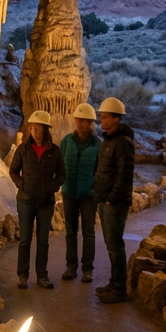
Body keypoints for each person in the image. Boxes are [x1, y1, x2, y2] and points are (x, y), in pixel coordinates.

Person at [9, 110, 64, 290]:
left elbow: (62, 173)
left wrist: (53, 186)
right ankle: (22, 275)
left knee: (43, 240)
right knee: (25, 239)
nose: (34, 131)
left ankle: (42, 275)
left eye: (37, 128)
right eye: (32, 128)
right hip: (26, 199)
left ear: (46, 130)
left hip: (46, 202)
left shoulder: (54, 151)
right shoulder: (23, 149)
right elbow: (13, 170)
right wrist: (21, 184)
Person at [93, 96, 135, 303]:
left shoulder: (122, 143)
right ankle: (114, 283)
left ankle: (119, 288)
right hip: (105, 199)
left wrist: (111, 199)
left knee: (115, 244)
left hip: (114, 203)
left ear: (116, 119)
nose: (102, 120)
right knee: (111, 243)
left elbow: (124, 174)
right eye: (101, 116)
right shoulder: (108, 140)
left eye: (106, 117)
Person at [60, 103, 101, 282]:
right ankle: (71, 266)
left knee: (88, 232)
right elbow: (60, 164)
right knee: (70, 231)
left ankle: (87, 268)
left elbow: (100, 170)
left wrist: (94, 187)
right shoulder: (67, 141)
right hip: (69, 191)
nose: (81, 123)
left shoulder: (98, 145)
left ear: (91, 122)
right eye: (78, 119)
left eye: (85, 120)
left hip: (88, 195)